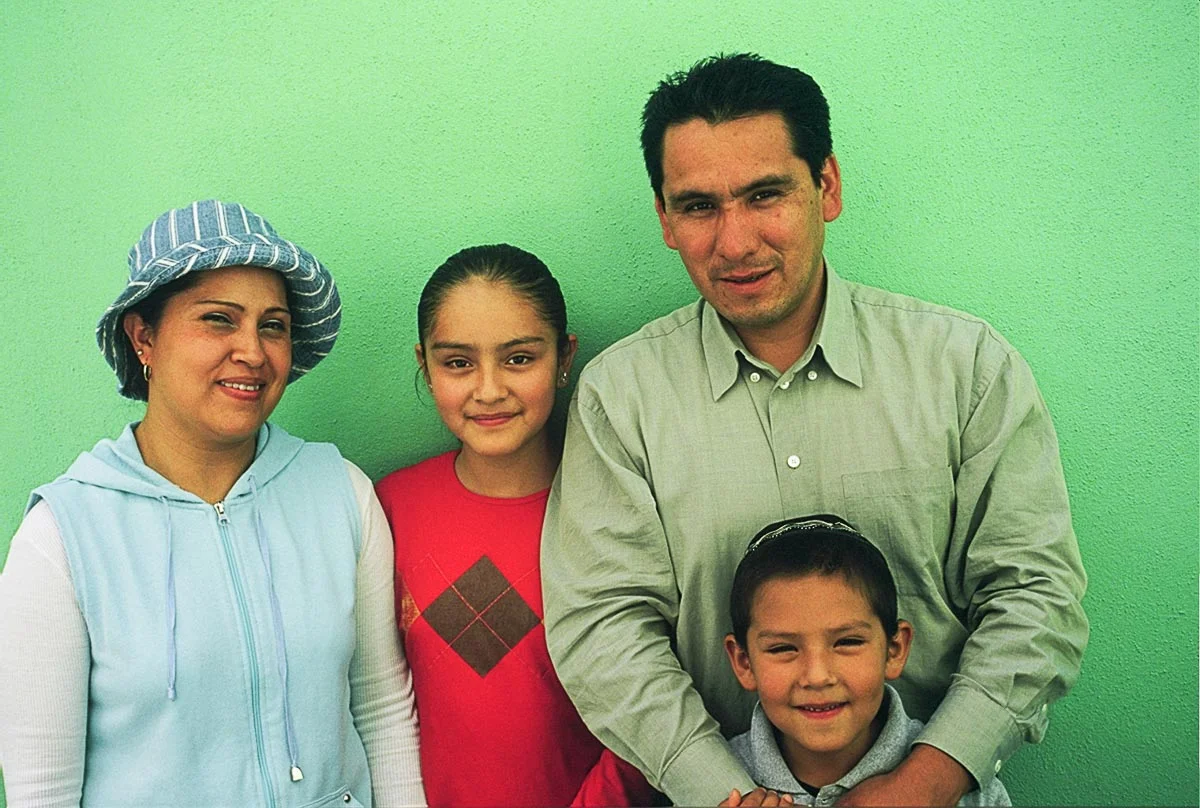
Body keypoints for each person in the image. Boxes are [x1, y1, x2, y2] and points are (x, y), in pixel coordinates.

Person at [542, 53, 1088, 806]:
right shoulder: (621, 398)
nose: (734, 243)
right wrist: (726, 795)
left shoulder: (964, 367)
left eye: (765, 194)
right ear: (665, 218)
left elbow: (1036, 592)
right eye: (698, 205)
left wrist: (929, 780)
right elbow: (604, 630)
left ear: (825, 187)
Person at [0, 200, 425, 807]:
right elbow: (43, 792)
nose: (252, 351)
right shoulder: (64, 536)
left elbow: (381, 709)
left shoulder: (340, 493)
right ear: (144, 335)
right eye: (219, 320)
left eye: (272, 325)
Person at [375, 244, 652, 808]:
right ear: (424, 365)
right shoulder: (392, 507)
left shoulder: (615, 506)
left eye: (519, 358)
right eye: (457, 362)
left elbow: (651, 699)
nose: (488, 389)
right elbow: (377, 698)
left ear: (564, 356)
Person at [722, 515, 1010, 807]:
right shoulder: (722, 787)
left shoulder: (963, 792)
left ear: (894, 649)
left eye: (847, 642)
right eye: (783, 648)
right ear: (744, 662)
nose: (818, 676)